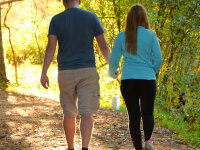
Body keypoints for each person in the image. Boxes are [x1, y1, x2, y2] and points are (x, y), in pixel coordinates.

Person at [40, 0, 110, 150]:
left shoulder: (56, 20)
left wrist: (44, 72)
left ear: (64, 2)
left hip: (65, 72)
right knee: (86, 113)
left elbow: (50, 48)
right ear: (79, 0)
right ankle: (85, 147)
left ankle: (70, 148)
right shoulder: (91, 17)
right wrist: (111, 64)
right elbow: (103, 45)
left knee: (69, 112)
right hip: (87, 71)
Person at [108, 4, 163, 150]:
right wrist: (153, 70)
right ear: (144, 17)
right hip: (148, 80)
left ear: (129, 18)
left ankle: (138, 148)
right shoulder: (151, 35)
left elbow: (113, 60)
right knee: (148, 113)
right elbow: (159, 59)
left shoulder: (121, 36)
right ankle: (148, 143)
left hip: (128, 80)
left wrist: (113, 73)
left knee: (133, 116)